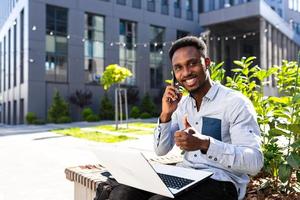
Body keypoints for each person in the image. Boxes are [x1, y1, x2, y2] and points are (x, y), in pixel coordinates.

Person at [108, 36, 263, 200]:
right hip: (186, 174)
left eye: (192, 63)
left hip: (221, 182)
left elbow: (254, 162)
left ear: (207, 63)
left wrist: (205, 143)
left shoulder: (235, 103)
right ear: (174, 74)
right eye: (179, 68)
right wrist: (166, 114)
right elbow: (161, 150)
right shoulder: (182, 105)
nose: (186, 72)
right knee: (122, 193)